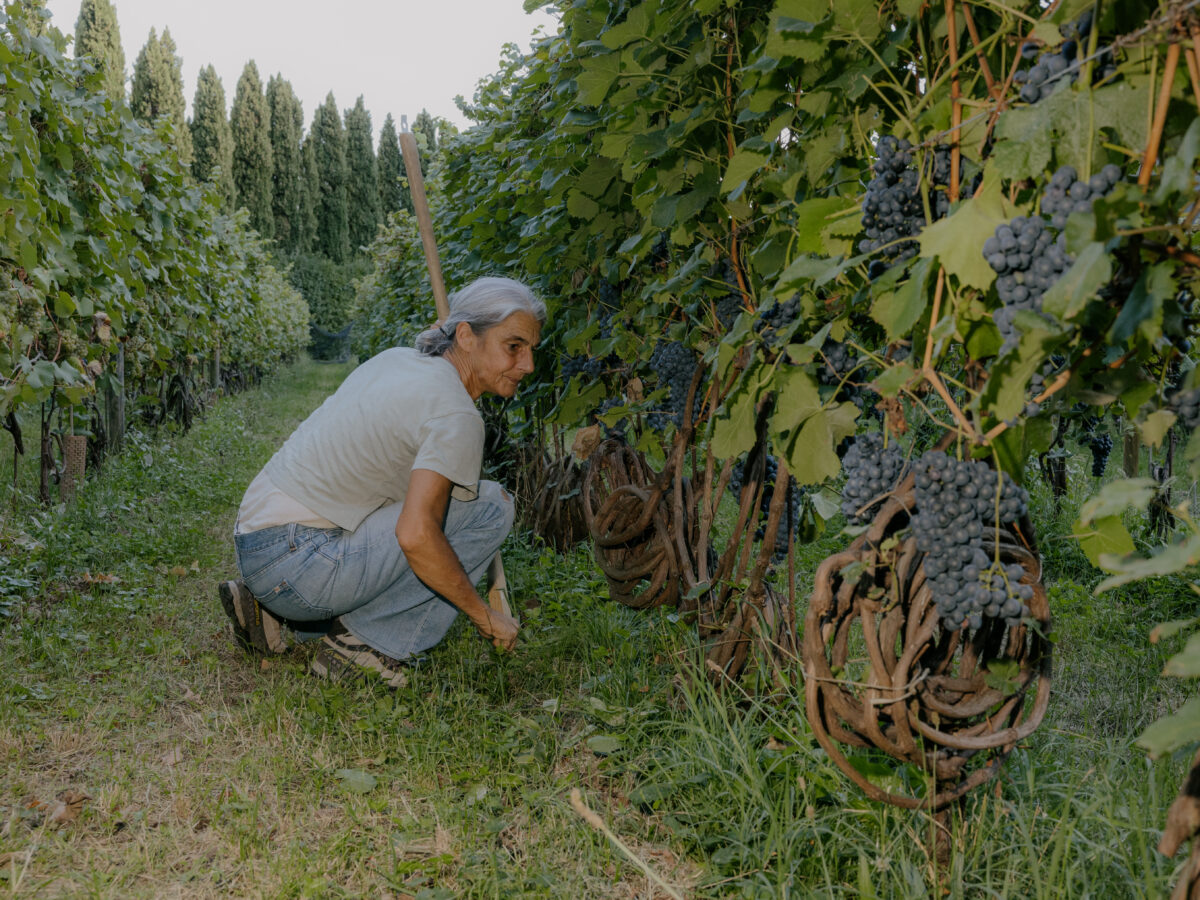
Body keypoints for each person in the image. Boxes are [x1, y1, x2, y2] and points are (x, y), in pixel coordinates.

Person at [218, 276, 545, 687]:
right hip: (299, 561)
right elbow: (415, 536)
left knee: (433, 508)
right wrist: (484, 615)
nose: (528, 365)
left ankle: (271, 612)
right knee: (491, 506)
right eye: (513, 346)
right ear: (465, 335)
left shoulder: (400, 360)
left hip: (259, 544)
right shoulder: (456, 416)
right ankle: (365, 646)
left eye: (531, 349)